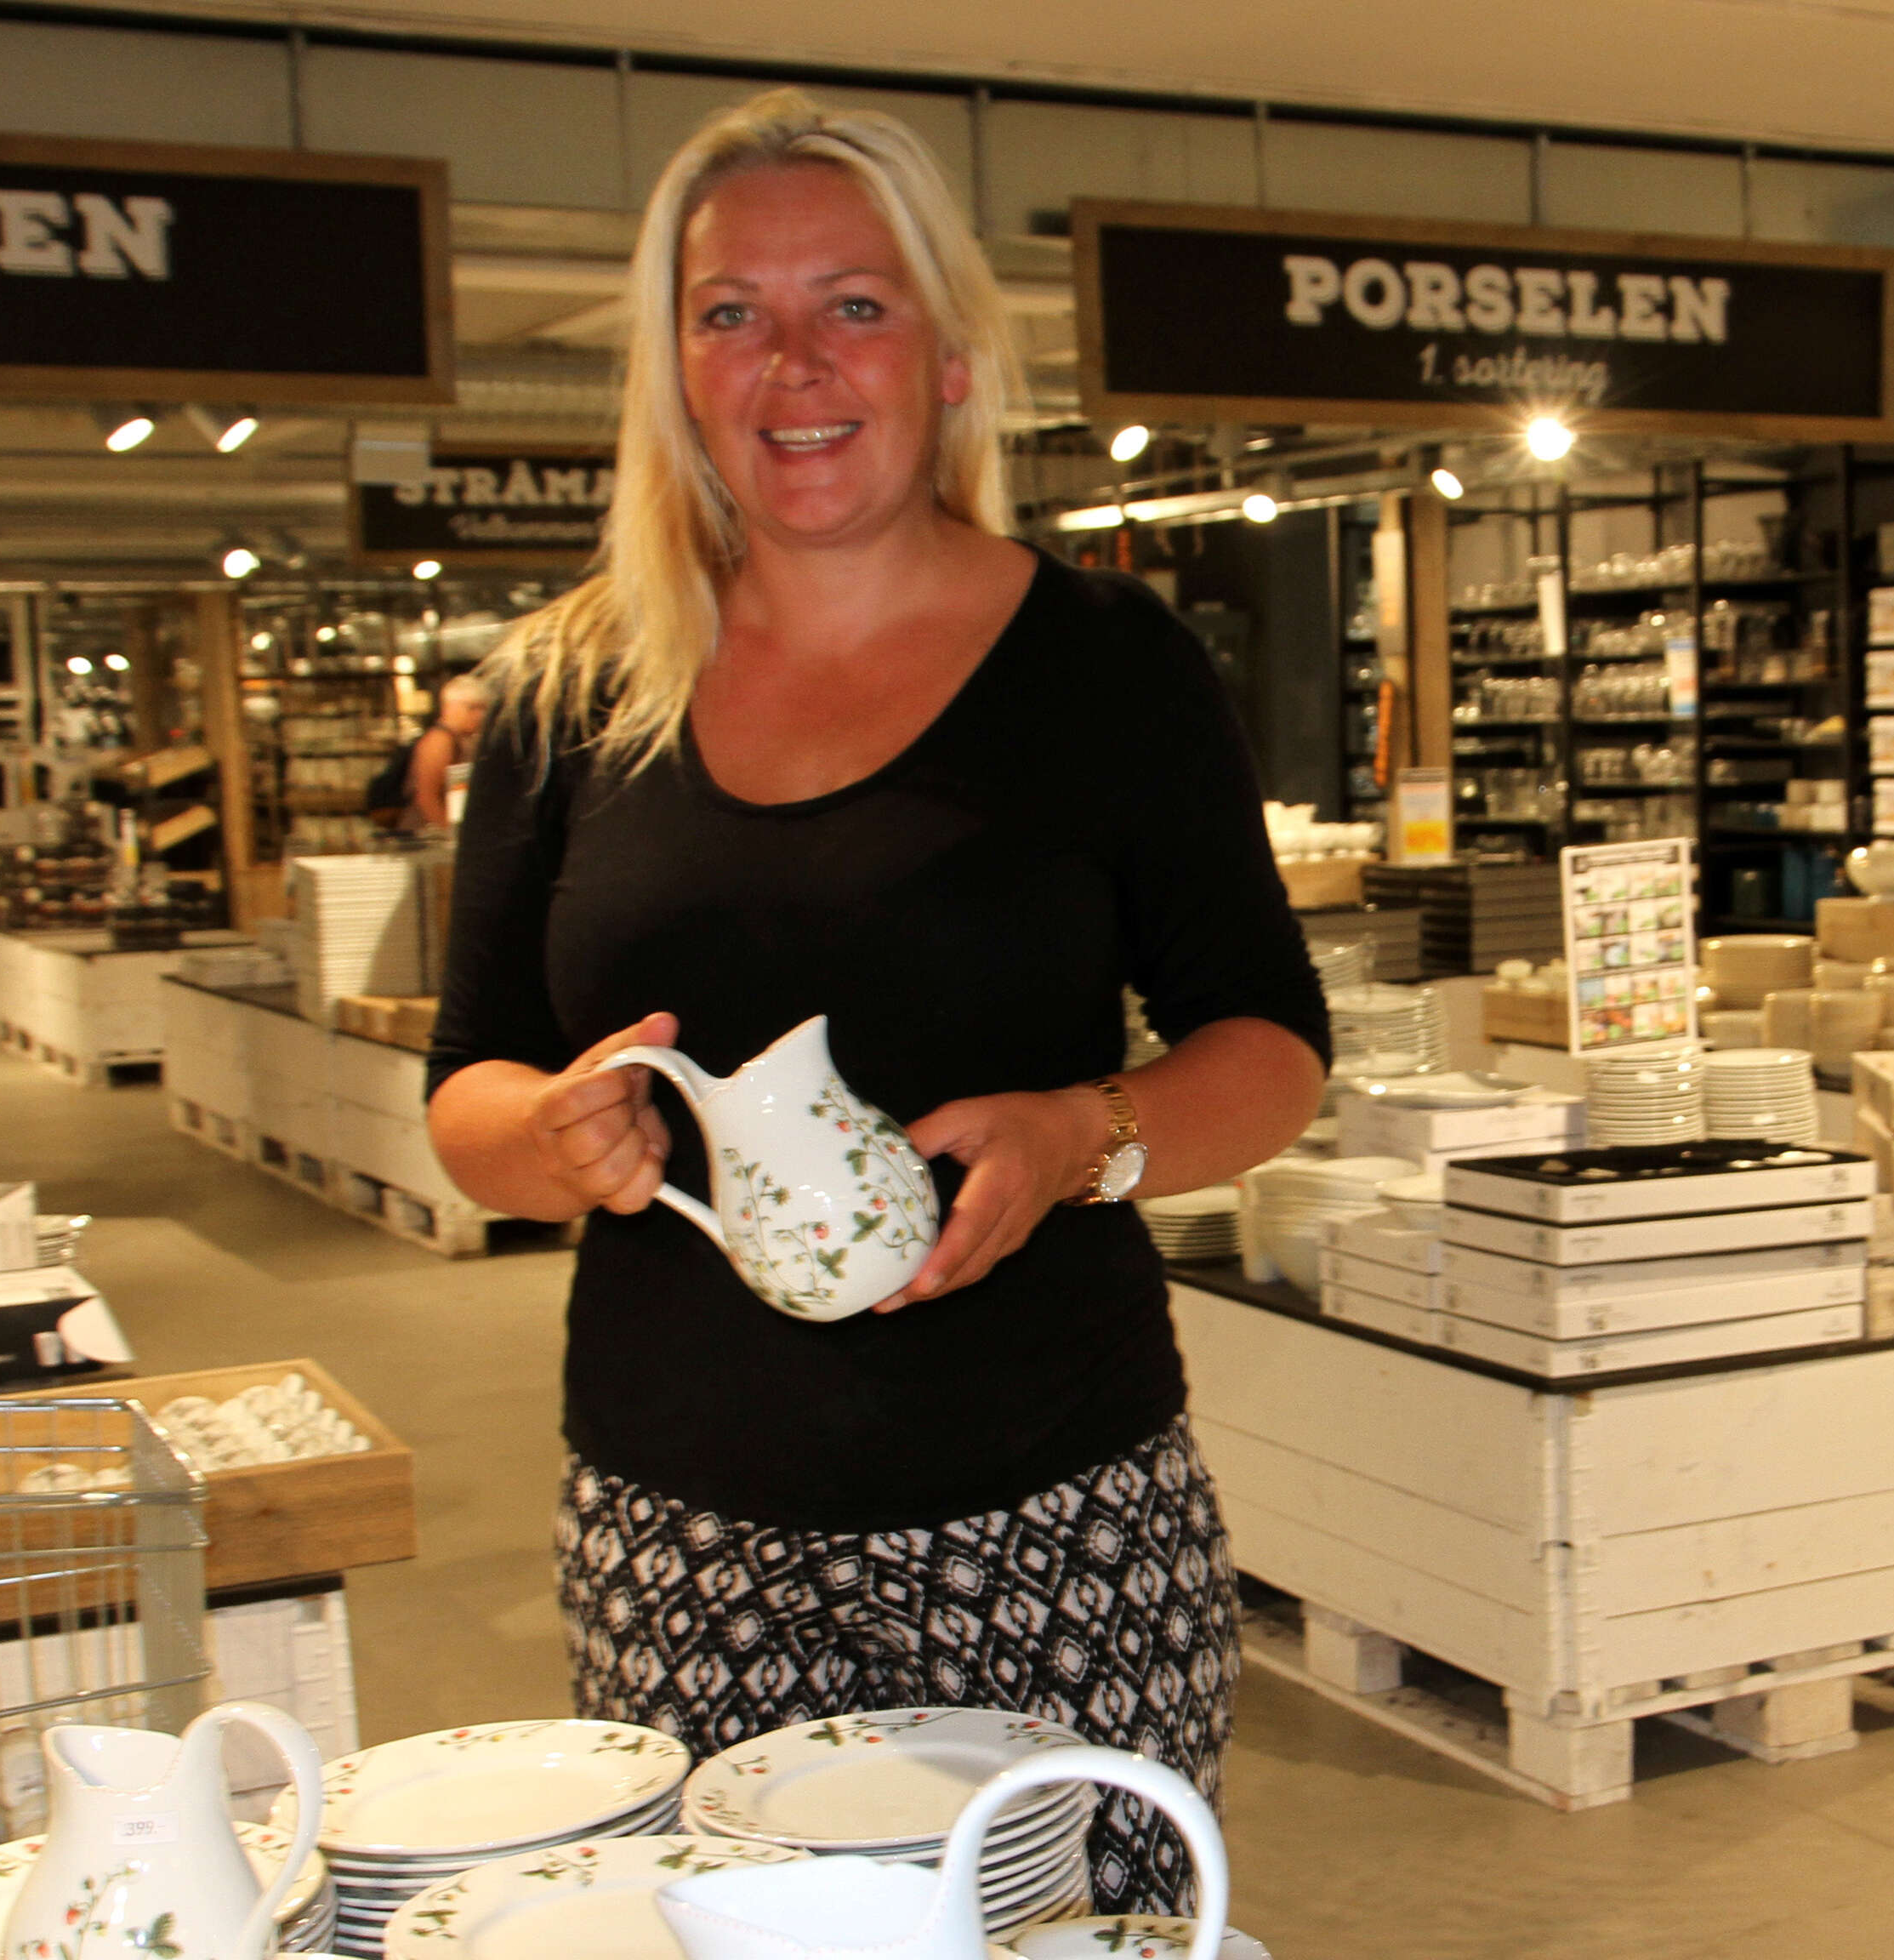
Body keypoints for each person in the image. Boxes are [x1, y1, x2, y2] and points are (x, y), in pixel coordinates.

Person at [423, 89, 1328, 1915]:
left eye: (851, 303)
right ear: (676, 373)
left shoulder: (1108, 667)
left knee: (1089, 1938)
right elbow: (467, 1094)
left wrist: (1088, 1135)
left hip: (1056, 1510)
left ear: (950, 356)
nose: (792, 364)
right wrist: (548, 1136)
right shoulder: (569, 688)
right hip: (678, 1523)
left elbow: (1270, 1047)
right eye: (728, 313)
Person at [389, 673, 491, 834]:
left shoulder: (459, 740)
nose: (480, 715)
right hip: (427, 832)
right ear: (450, 707)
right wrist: (450, 833)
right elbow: (426, 797)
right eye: (472, 708)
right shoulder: (440, 741)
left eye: (483, 708)